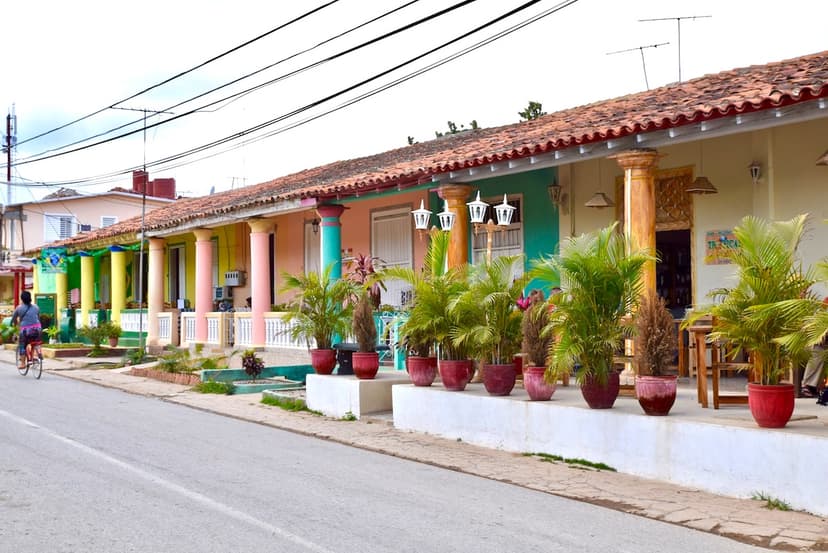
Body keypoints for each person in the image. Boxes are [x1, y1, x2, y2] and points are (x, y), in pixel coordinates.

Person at [11, 291, 42, 369]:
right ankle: (35, 355)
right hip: (37, 329)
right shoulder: (36, 307)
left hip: (26, 330)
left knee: (22, 344)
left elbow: (13, 319)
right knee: (35, 343)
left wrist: (15, 325)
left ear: (22, 299)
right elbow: (38, 318)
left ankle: (23, 363)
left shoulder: (19, 308)